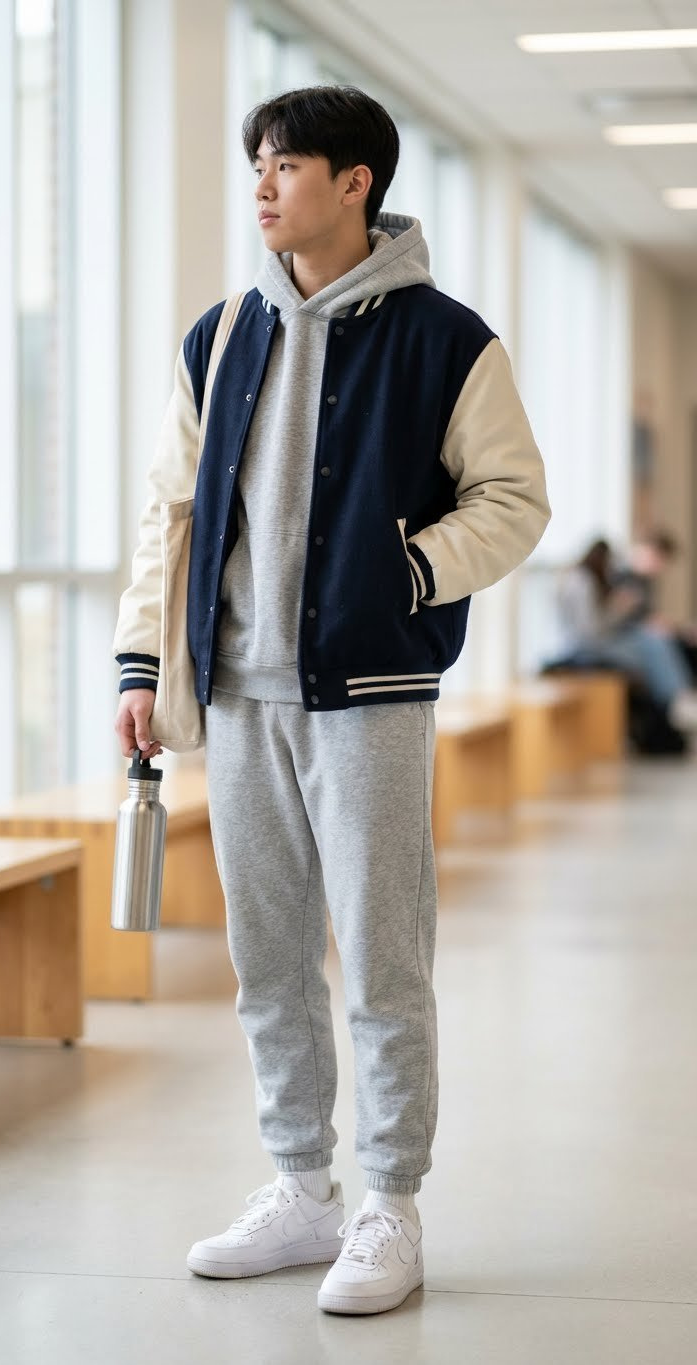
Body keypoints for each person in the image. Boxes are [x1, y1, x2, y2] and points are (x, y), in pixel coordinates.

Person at [112, 85, 551, 1316]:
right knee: (268, 957)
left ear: (355, 182)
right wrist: (144, 666)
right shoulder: (221, 336)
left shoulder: (446, 339)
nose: (261, 186)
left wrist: (407, 575)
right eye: (256, 165)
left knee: (381, 956)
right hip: (237, 697)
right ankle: (301, 1186)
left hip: (370, 692)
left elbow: (513, 501)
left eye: (285, 165)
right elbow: (172, 515)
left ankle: (389, 1203)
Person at [553, 531, 697, 734]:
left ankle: (673, 704)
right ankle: (674, 702)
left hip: (602, 640)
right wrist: (618, 609)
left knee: (656, 643)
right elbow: (591, 633)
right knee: (655, 646)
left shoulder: (587, 580)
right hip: (587, 647)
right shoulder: (581, 582)